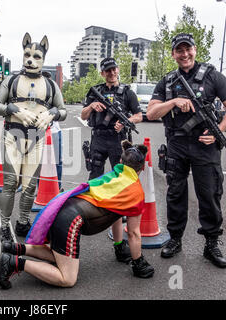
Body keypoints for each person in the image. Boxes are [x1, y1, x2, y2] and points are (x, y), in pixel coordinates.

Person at [0, 140, 154, 289]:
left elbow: (117, 215)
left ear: (121, 160)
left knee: (56, 255)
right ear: (142, 168)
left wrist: (119, 246)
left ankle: (15, 248)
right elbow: (133, 233)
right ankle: (14, 263)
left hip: (60, 210)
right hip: (70, 221)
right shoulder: (135, 191)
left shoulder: (115, 175)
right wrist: (138, 261)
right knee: (67, 278)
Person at [147, 33, 226, 268]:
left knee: (209, 195)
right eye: (180, 50)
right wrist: (173, 102)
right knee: (175, 193)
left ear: (195, 50)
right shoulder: (167, 81)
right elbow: (151, 113)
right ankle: (175, 239)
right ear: (173, 54)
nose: (184, 54)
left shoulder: (212, 76)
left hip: (205, 146)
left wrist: (218, 130)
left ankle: (211, 244)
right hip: (177, 145)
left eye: (188, 49)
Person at [0, 33, 66, 242]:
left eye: (37, 56)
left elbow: (63, 110)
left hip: (36, 138)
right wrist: (13, 109)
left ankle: (23, 221)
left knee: (31, 185)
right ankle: (4, 225)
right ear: (23, 54)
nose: (31, 60)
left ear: (44, 57)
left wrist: (52, 114)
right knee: (11, 182)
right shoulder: (11, 80)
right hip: (12, 136)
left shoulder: (51, 85)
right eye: (27, 55)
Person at [80, 57, 142, 263]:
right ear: (102, 73)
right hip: (98, 138)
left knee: (121, 180)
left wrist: (126, 123)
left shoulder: (127, 92)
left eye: (114, 69)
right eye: (107, 70)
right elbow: (83, 114)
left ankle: (119, 216)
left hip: (119, 140)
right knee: (94, 176)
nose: (111, 73)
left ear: (118, 70)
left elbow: (139, 115)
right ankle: (89, 213)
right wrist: (93, 105)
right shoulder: (94, 90)